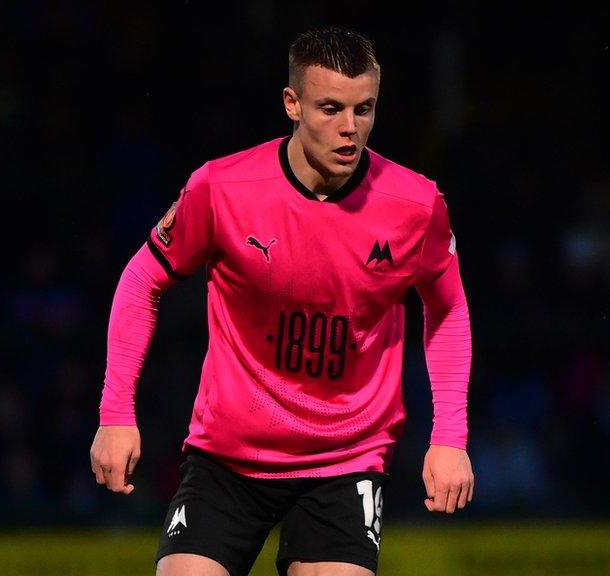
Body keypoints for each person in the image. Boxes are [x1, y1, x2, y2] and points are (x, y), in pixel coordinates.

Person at [91, 27, 473, 576]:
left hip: (345, 458)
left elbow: (448, 308)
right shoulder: (221, 190)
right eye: (330, 108)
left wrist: (450, 437)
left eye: (364, 109)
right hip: (228, 454)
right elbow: (140, 281)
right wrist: (115, 413)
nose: (349, 129)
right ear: (291, 103)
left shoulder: (414, 205)